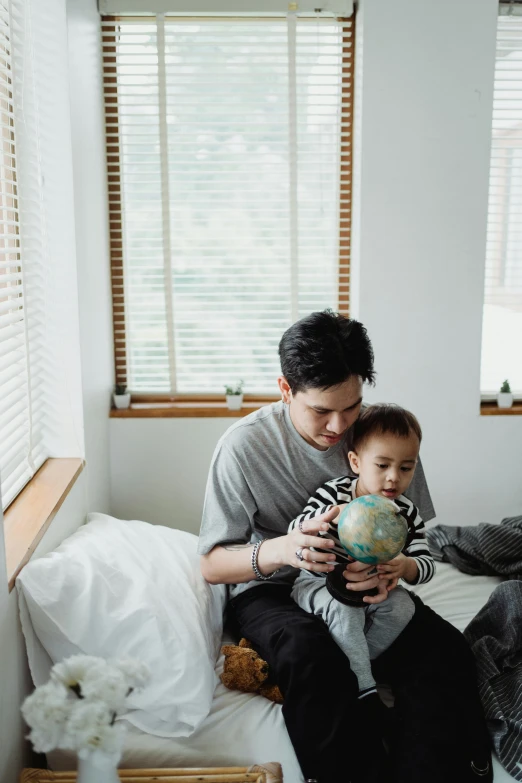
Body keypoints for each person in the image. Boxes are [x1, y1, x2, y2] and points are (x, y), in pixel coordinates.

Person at [199, 310, 492, 783]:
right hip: (272, 586)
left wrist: (393, 569)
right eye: (321, 410)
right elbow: (212, 564)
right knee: (312, 654)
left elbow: (413, 538)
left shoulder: (381, 439)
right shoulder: (243, 448)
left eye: (352, 406)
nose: (339, 426)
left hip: (368, 582)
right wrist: (284, 549)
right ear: (285, 389)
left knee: (445, 652)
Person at [288, 403, 435, 710]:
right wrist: (330, 518)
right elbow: (295, 531)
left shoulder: (406, 513)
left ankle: (359, 663)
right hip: (318, 584)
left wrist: (406, 566)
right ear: (355, 462)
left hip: (373, 591)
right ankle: (365, 688)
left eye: (405, 468)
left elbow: (426, 564)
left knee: (403, 608)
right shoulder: (335, 494)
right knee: (346, 611)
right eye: (382, 466)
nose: (393, 478)